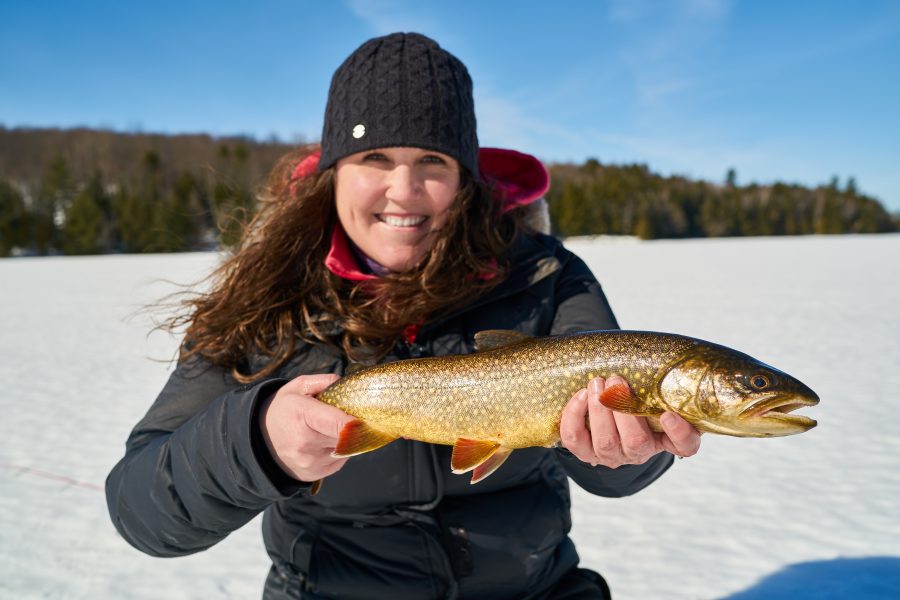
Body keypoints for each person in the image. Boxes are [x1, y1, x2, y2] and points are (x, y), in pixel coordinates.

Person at [106, 32, 701, 600]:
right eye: (375, 157)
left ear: (464, 177)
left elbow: (614, 466)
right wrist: (257, 443)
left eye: (432, 162)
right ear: (333, 169)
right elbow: (143, 510)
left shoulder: (545, 275)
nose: (404, 188)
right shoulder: (269, 297)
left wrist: (627, 453)